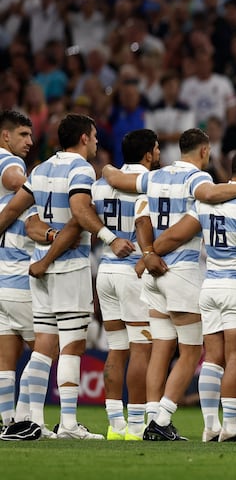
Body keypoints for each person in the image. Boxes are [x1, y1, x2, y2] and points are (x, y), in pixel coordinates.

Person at [104, 128, 236, 441]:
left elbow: (121, 186)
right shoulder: (196, 179)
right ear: (204, 151)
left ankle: (153, 418)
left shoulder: (154, 176)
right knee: (191, 353)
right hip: (181, 270)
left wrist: (108, 168)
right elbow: (210, 195)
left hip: (154, 272)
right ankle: (162, 419)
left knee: (161, 348)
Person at [0, 114, 136, 439]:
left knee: (44, 346)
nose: (97, 143)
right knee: (72, 346)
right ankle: (69, 425)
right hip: (68, 268)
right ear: (84, 138)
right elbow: (79, 213)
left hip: (38, 270)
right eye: (95, 136)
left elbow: (13, 211)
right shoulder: (81, 169)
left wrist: (45, 251)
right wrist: (110, 238)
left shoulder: (40, 169)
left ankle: (33, 422)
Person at [149, 148, 236, 442]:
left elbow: (173, 236)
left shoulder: (206, 201)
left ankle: (210, 426)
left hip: (210, 288)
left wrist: (150, 253)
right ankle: (230, 427)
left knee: (213, 359)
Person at [92, 129, 160, 440]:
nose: (158, 154)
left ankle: (114, 424)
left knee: (116, 348)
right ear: (148, 154)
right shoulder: (150, 183)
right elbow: (146, 223)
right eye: (156, 149)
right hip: (133, 270)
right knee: (141, 349)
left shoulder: (100, 184)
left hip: (106, 269)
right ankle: (135, 424)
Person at [0, 110, 49, 433]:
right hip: (20, 280)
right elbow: (13, 177)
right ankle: (28, 419)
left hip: (1, 280)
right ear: (5, 136)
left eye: (31, 135)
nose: (30, 141)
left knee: (6, 358)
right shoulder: (8, 161)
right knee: (47, 347)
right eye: (23, 135)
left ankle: (7, 422)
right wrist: (43, 184)